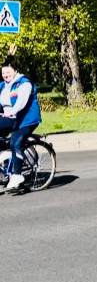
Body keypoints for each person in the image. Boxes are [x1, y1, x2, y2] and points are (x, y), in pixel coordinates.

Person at [0, 59, 42, 191]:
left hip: (26, 120)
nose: (5, 75)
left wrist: (12, 111)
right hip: (11, 118)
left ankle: (17, 175)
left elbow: (21, 102)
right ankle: (6, 158)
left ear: (15, 70)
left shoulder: (24, 83)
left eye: (8, 72)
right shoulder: (3, 85)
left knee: (15, 142)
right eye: (3, 73)